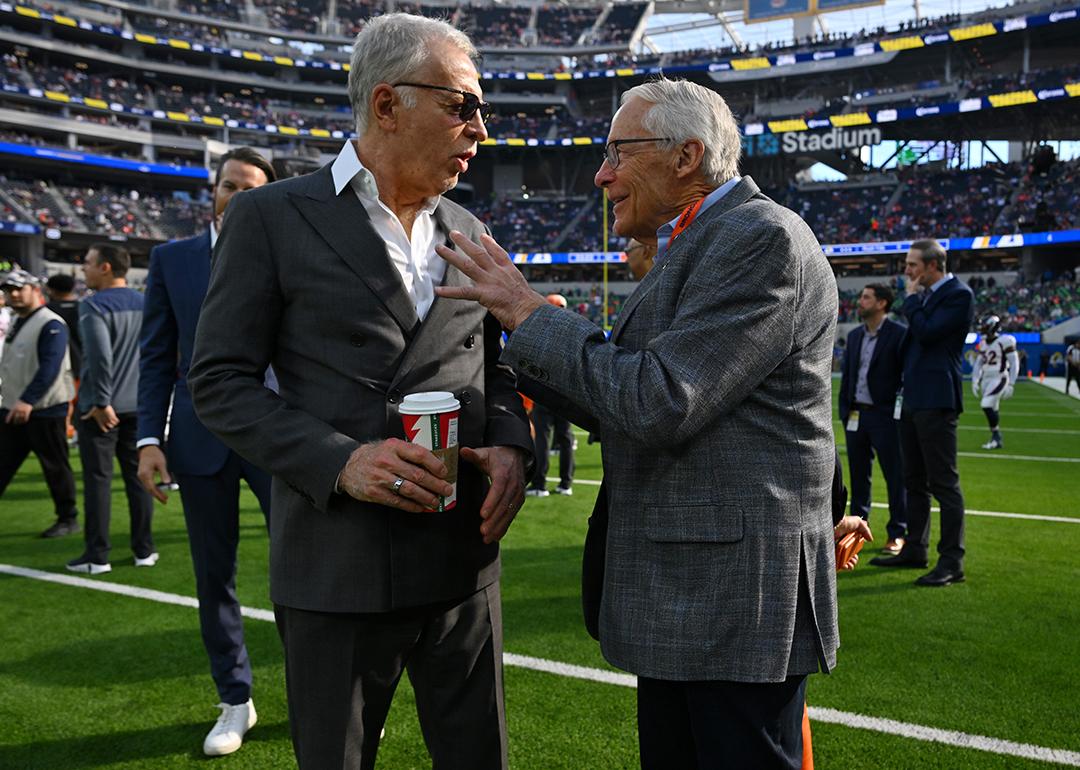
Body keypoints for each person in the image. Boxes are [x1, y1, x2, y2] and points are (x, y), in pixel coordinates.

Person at [435, 77, 839, 768]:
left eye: (619, 151)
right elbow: (625, 400)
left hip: (732, 605)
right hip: (696, 599)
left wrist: (534, 317)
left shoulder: (758, 237)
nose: (601, 174)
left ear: (685, 157)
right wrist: (524, 345)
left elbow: (659, 401)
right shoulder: (700, 239)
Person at [187, 14, 532, 769]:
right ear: (386, 104)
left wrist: (511, 443)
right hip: (335, 566)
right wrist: (341, 461)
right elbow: (217, 381)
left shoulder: (470, 228)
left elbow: (498, 369)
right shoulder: (269, 217)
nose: (480, 127)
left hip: (462, 563)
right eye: (461, 105)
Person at [136, 147, 276, 757]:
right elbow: (156, 356)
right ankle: (234, 699)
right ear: (212, 192)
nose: (238, 195)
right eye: (229, 185)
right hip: (198, 437)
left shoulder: (288, 249)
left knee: (308, 567)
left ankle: (324, 693)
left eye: (251, 187)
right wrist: (147, 439)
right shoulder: (171, 259)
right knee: (212, 577)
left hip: (280, 433)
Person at [871, 239, 973, 587]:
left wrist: (912, 299)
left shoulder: (959, 295)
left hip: (937, 398)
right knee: (913, 480)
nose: (907, 271)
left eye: (912, 265)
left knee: (944, 483)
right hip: (912, 398)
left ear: (932, 266)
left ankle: (952, 561)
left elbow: (928, 334)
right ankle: (915, 548)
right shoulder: (926, 299)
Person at [66, 244, 155, 574]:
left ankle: (97, 555)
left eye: (87, 263)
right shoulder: (147, 302)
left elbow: (100, 358)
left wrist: (101, 401)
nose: (82, 269)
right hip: (140, 405)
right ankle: (144, 549)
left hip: (102, 410)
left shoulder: (92, 306)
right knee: (139, 479)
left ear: (105, 267)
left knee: (98, 482)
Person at [0, 268, 79, 538]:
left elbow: (50, 367)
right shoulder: (18, 320)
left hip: (44, 409)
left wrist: (27, 400)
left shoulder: (51, 323)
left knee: (55, 466)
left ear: (36, 290)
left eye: (19, 288)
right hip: (14, 406)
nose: (13, 294)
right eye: (9, 289)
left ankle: (68, 518)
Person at [837, 283, 908, 555]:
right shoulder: (854, 336)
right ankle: (856, 531)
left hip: (885, 416)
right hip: (856, 414)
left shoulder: (899, 334)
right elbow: (849, 377)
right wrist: (845, 410)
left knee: (895, 476)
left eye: (866, 297)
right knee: (857, 477)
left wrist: (896, 413)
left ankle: (897, 533)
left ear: (882, 303)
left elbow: (904, 378)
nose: (860, 301)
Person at [526, 293, 575, 497]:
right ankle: (566, 483)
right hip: (566, 394)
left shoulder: (539, 331)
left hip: (545, 393)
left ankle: (539, 484)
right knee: (565, 439)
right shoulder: (573, 331)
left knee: (543, 440)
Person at [971, 314, 1019, 450]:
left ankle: (996, 436)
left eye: (985, 327)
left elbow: (1014, 362)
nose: (982, 329)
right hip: (986, 378)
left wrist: (1011, 383)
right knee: (993, 407)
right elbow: (978, 363)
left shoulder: (1005, 340)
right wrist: (975, 380)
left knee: (986, 404)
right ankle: (996, 439)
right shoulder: (983, 343)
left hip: (999, 377)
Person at [45, 273, 83, 441]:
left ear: (51, 290)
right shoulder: (84, 308)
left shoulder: (46, 311)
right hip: (83, 364)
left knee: (62, 403)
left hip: (57, 366)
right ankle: (77, 434)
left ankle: (65, 432)